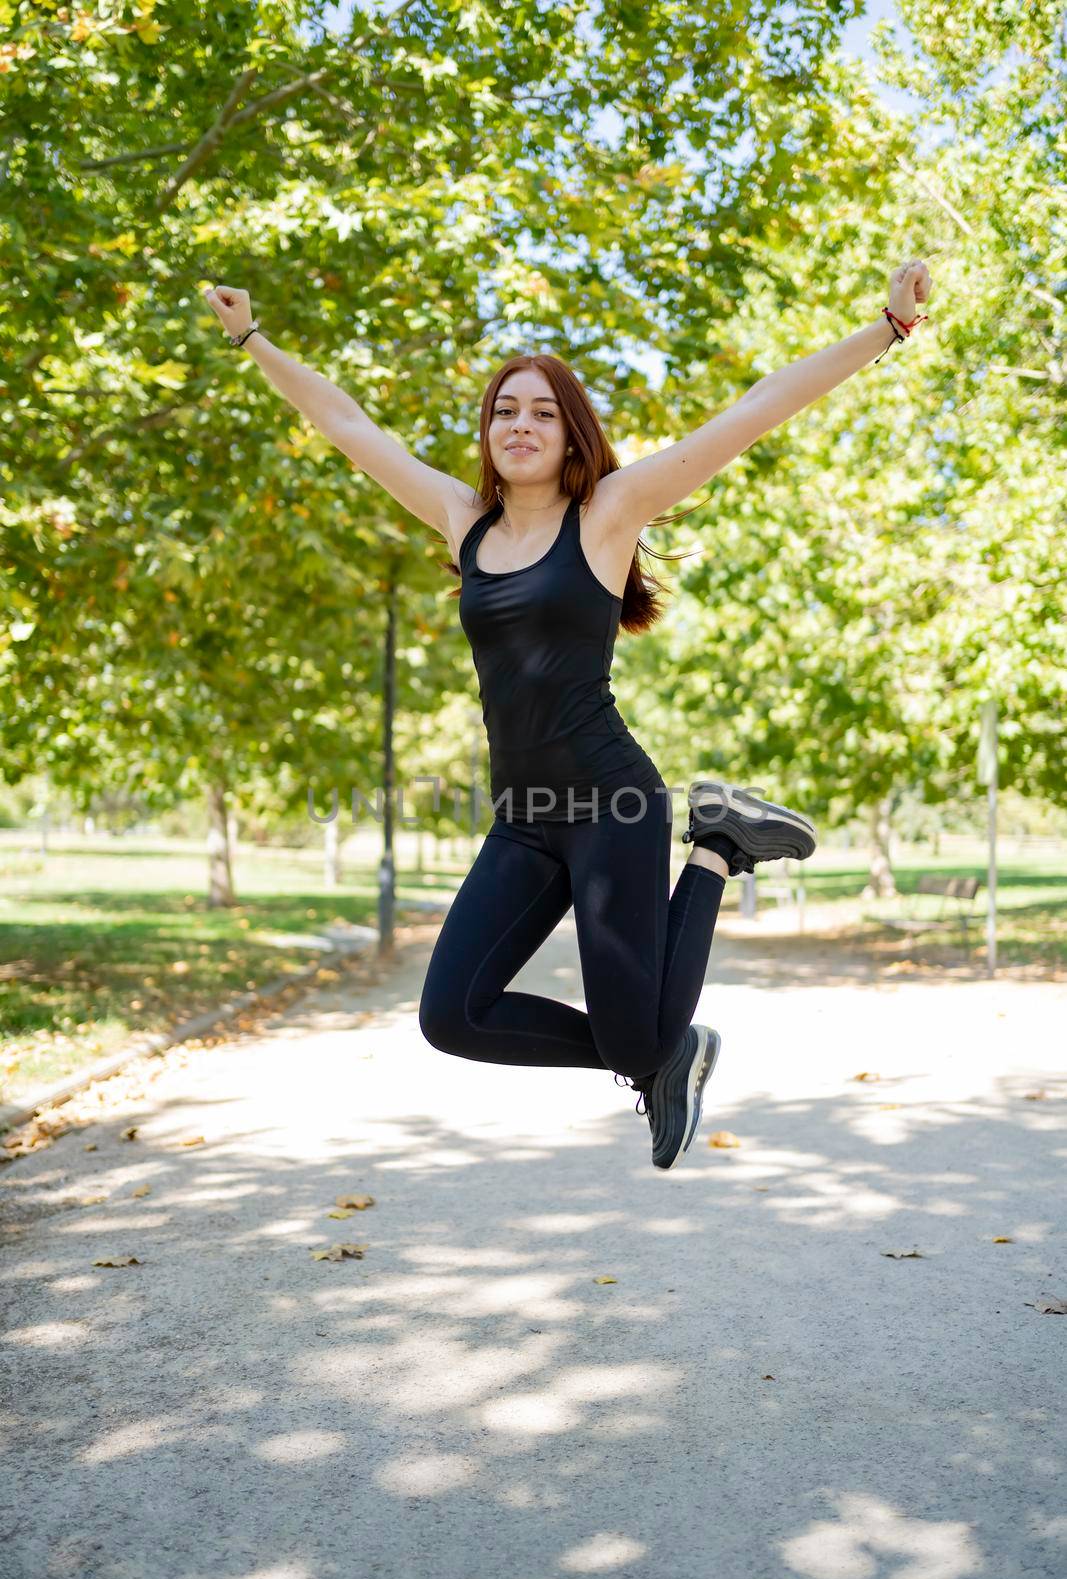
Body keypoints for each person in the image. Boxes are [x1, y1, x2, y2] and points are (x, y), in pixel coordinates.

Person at [203, 259, 931, 1169]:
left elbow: (752, 411)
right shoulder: (460, 520)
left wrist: (886, 329)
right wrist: (251, 338)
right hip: (523, 820)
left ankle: (717, 847)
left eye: (542, 411)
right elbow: (347, 426)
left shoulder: (607, 514)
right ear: (487, 430)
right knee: (452, 1015)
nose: (520, 424)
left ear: (571, 433)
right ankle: (672, 1053)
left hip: (608, 805)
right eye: (505, 409)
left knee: (634, 1042)